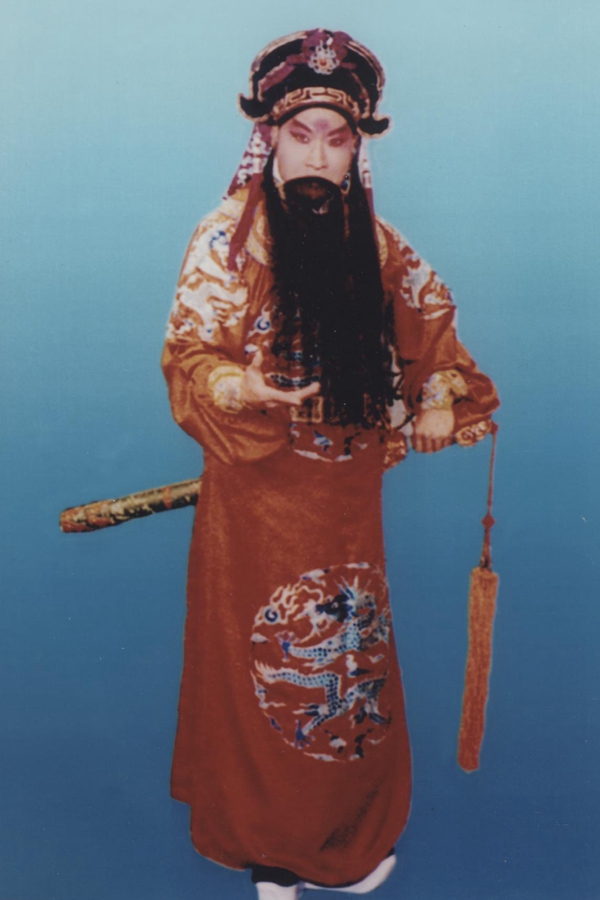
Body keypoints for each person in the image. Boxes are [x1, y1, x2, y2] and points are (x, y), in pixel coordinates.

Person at [162, 29, 499, 900]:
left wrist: (435, 400)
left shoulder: (379, 245)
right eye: (299, 134)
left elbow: (435, 336)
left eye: (336, 139)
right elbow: (190, 352)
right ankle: (270, 851)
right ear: (268, 137)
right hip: (255, 496)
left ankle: (343, 841)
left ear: (357, 148)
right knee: (263, 671)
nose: (316, 156)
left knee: (350, 670)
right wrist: (240, 386)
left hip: (346, 500)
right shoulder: (225, 243)